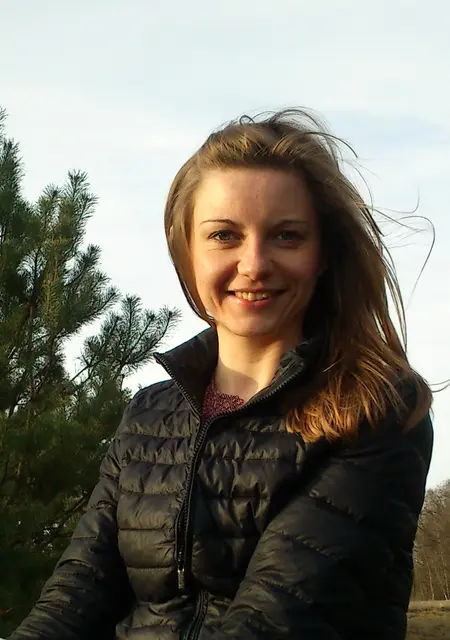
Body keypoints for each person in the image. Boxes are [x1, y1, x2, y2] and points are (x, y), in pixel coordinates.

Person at [10, 109, 433, 640]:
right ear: (188, 252)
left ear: (322, 254)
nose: (254, 264)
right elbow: (77, 591)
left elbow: (278, 618)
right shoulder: (150, 414)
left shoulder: (372, 408)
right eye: (224, 235)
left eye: (286, 236)